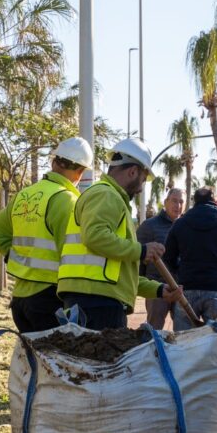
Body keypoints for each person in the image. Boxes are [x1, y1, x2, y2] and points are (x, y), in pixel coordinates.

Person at [58, 138, 177, 330]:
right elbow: (94, 235)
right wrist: (142, 250)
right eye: (143, 179)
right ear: (132, 172)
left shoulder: (110, 198)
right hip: (97, 303)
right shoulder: (107, 195)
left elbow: (121, 275)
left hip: (93, 299)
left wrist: (158, 289)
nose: (141, 187)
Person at [0, 137, 94, 333]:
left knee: (30, 361)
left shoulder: (25, 195)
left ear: (53, 162)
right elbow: (73, 257)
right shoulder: (68, 201)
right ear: (81, 172)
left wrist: (15, 256)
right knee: (54, 362)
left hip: (20, 299)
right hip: (50, 301)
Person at [162, 187, 217, 331]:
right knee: (214, 344)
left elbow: (168, 257)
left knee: (184, 344)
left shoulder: (180, 224)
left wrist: (181, 273)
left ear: (194, 202)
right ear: (216, 201)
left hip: (186, 290)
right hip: (216, 289)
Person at [136, 188, 185, 330]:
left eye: (181, 202)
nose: (178, 205)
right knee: (154, 333)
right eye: (174, 201)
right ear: (165, 202)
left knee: (183, 335)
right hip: (156, 289)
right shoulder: (149, 226)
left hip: (181, 290)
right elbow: (138, 259)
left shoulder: (187, 227)